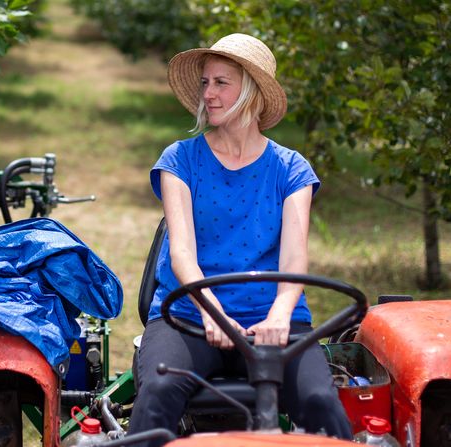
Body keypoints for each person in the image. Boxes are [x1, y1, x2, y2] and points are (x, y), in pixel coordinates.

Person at [127, 33, 352, 446]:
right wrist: (211, 313)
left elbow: (294, 257)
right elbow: (181, 254)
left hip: (274, 321)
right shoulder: (179, 159)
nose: (208, 94)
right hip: (192, 316)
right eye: (205, 83)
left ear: (250, 90)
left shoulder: (290, 169)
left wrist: (282, 313)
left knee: (321, 398)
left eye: (221, 82)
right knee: (157, 392)